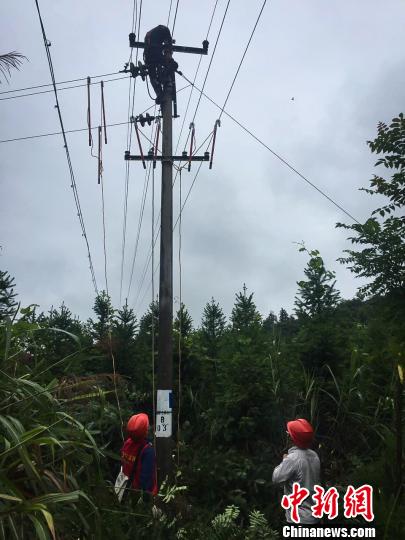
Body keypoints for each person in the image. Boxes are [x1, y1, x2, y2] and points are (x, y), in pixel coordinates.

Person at [272, 418, 320, 524]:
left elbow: (276, 478)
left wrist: (284, 460)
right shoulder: (314, 455)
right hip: (314, 516)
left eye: (287, 433)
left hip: (298, 519)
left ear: (291, 438)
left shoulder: (293, 459)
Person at [120, 412, 158, 496]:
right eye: (147, 426)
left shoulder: (127, 443)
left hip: (126, 487)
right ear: (145, 431)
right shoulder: (148, 451)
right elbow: (146, 481)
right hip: (137, 493)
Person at [143, 24, 178, 103]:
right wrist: (169, 60)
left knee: (152, 75)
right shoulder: (164, 31)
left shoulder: (152, 33)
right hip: (153, 52)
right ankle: (163, 78)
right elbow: (168, 49)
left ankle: (159, 93)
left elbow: (166, 45)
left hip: (149, 54)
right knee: (173, 65)